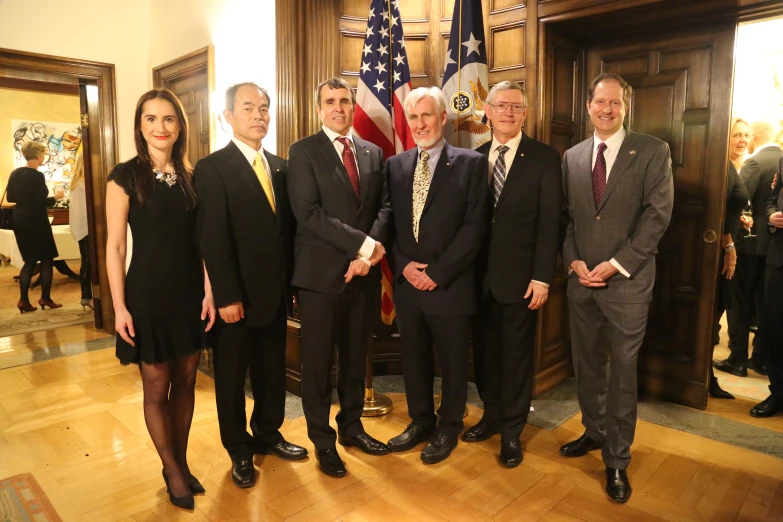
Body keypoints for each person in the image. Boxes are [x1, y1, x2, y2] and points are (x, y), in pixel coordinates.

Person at [560, 73, 674, 503]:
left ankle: (617, 460)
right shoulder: (571, 157)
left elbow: (657, 217)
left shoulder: (652, 151)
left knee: (622, 374)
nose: (607, 109)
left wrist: (615, 265)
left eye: (615, 103)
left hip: (626, 283)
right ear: (588, 106)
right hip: (581, 282)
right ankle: (594, 431)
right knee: (587, 365)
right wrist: (573, 261)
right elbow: (567, 219)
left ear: (626, 107)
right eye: (600, 102)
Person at [106, 89, 215, 510]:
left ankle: (181, 463)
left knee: (187, 380)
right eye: (151, 119)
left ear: (180, 125)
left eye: (169, 119)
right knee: (157, 386)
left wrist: (208, 289)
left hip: (189, 292)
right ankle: (171, 470)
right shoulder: (124, 176)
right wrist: (119, 307)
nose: (160, 127)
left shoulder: (191, 174)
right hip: (147, 293)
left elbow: (202, 241)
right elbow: (115, 247)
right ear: (139, 125)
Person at [195, 83, 306, 489]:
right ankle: (239, 450)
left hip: (275, 295)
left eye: (264, 108)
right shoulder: (212, 168)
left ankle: (268, 433)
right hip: (235, 299)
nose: (258, 115)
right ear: (227, 117)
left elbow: (286, 235)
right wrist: (226, 295)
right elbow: (213, 237)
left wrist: (291, 286)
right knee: (231, 377)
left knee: (270, 371)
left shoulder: (280, 166)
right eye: (248, 108)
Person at [287, 77, 390, 478]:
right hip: (319, 278)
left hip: (362, 277)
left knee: (353, 360)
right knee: (316, 367)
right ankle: (323, 441)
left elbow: (385, 209)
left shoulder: (373, 152)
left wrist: (367, 257)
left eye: (344, 101)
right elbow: (308, 213)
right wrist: (364, 247)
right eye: (330, 101)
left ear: (352, 106)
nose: (338, 108)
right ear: (319, 108)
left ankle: (351, 428)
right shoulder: (303, 152)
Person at [384, 86, 488, 465]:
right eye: (413, 117)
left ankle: (449, 426)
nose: (420, 123)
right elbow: (390, 227)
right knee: (414, 358)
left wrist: (438, 273)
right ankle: (421, 421)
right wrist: (403, 266)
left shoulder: (470, 163)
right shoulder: (395, 166)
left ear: (443, 118)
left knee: (453, 361)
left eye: (427, 115)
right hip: (409, 286)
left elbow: (474, 228)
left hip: (451, 285)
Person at [464, 81, 561, 467]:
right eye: (500, 106)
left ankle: (512, 431)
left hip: (522, 281)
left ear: (525, 114)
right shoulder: (475, 156)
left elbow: (551, 222)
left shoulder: (544, 157)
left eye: (516, 107)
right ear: (486, 111)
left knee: (516, 357)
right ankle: (491, 414)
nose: (507, 112)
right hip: (477, 280)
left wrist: (542, 277)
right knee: (485, 354)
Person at [719, 121, 782, 378]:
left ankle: (737, 359)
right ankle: (762, 358)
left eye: (746, 135)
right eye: (738, 135)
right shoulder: (779, 160)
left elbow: (741, 198)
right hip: (772, 249)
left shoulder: (754, 163)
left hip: (747, 245)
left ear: (755, 136)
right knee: (763, 306)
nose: (744, 139)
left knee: (739, 303)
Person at [6, 140, 65, 313]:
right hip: (37, 221)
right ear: (39, 155)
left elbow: (11, 198)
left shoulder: (15, 173)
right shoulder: (37, 176)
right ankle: (45, 298)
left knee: (29, 261)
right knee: (47, 259)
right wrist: (56, 197)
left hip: (20, 220)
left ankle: (23, 300)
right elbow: (41, 202)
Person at [709, 161, 748, 399]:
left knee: (715, 312)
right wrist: (729, 243)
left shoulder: (728, 163)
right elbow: (717, 203)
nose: (741, 140)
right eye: (737, 135)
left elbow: (731, 205)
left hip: (727, 242)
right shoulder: (719, 158)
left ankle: (706, 376)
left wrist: (738, 219)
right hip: (718, 249)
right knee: (710, 315)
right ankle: (704, 377)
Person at [756, 155, 783, 418]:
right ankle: (778, 393)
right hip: (778, 262)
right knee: (774, 330)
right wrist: (772, 215)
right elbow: (771, 199)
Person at [68, 147, 93, 311]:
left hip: (80, 228)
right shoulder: (85, 184)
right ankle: (87, 297)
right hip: (87, 228)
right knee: (89, 264)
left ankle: (86, 296)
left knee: (86, 263)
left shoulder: (76, 183)